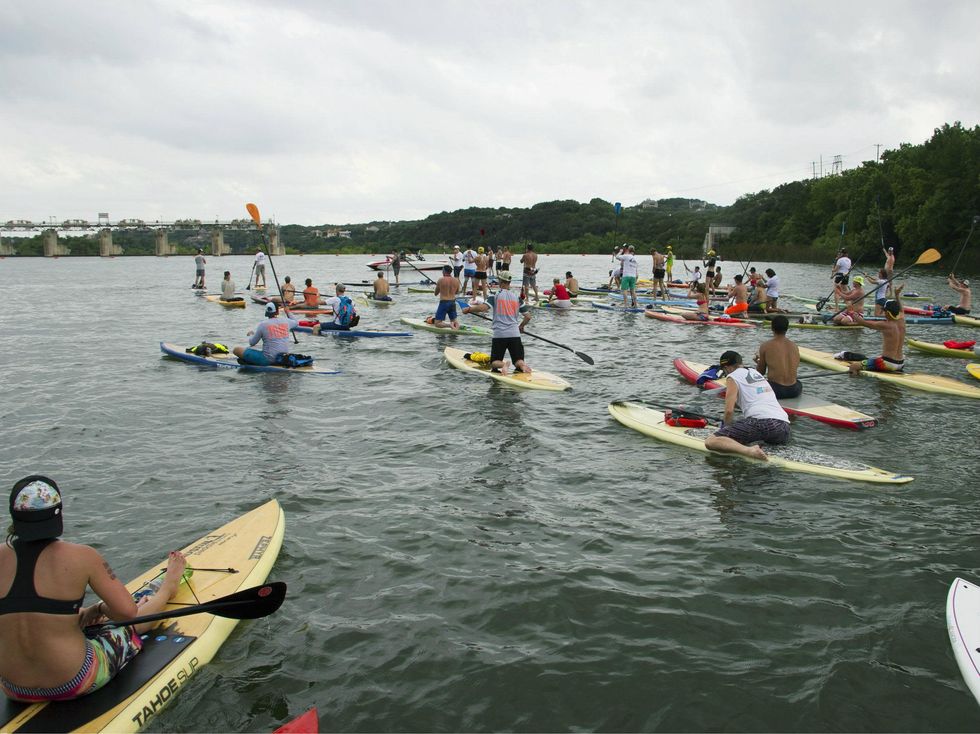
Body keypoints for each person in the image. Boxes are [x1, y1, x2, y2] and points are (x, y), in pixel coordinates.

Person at [0, 476, 187, 702]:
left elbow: (24, 613)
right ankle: (169, 587)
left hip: (14, 688)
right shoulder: (82, 556)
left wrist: (85, 613)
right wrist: (102, 609)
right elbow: (127, 614)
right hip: (74, 680)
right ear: (58, 513)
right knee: (126, 628)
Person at [703, 351, 791, 461]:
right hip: (784, 427)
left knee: (711, 441)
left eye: (724, 370)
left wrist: (724, 431)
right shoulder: (755, 372)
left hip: (763, 423)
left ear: (727, 368)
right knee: (749, 432)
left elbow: (729, 411)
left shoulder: (732, 377)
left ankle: (750, 451)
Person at [462, 271, 532, 375]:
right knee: (518, 360)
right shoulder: (517, 298)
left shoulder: (494, 295)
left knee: (494, 362)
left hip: (500, 334)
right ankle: (522, 366)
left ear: (500, 281)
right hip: (514, 334)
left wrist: (469, 309)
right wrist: (521, 326)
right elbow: (528, 317)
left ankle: (503, 365)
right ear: (509, 282)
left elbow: (483, 308)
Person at [847, 286, 906, 374]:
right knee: (876, 358)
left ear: (887, 312)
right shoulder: (902, 321)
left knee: (853, 366)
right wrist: (897, 295)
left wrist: (852, 313)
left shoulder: (885, 325)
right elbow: (901, 309)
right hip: (901, 363)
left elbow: (863, 323)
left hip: (888, 363)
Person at [234, 301, 300, 364]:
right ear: (277, 312)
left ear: (266, 312)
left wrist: (251, 335)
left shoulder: (263, 325)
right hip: (284, 357)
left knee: (236, 350)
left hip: (268, 360)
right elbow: (296, 322)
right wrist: (288, 312)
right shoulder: (286, 321)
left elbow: (252, 342)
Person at [755, 315, 802, 399]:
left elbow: (760, 372)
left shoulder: (765, 346)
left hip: (775, 390)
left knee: (756, 388)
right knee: (798, 382)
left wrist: (759, 361)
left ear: (772, 328)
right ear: (787, 329)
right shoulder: (794, 346)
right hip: (794, 390)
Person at [426, 265, 460, 329]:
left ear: (444, 271)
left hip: (444, 302)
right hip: (453, 302)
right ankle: (456, 326)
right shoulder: (456, 280)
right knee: (454, 320)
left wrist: (440, 287)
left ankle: (449, 325)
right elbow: (457, 292)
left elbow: (436, 293)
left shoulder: (441, 280)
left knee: (437, 323)